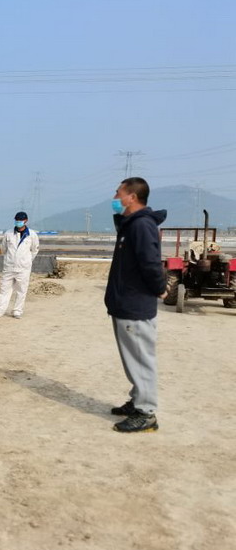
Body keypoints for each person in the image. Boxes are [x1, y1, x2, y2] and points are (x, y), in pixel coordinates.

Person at [105, 177, 167, 433]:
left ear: (132, 197)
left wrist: (160, 288)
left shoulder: (141, 225)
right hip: (124, 303)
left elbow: (151, 263)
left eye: (118, 193)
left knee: (141, 359)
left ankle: (146, 412)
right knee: (132, 358)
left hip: (135, 305)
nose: (115, 198)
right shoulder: (130, 224)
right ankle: (137, 399)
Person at [0, 211, 40, 319]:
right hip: (9, 266)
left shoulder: (32, 235)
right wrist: (10, 259)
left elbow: (35, 250)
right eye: (17, 220)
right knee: (4, 290)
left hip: (24, 268)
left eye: (21, 220)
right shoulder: (8, 233)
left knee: (21, 290)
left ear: (25, 221)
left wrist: (27, 261)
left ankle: (17, 311)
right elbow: (3, 248)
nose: (18, 222)